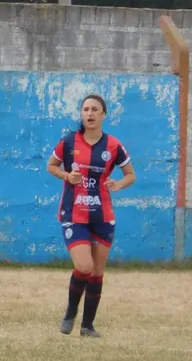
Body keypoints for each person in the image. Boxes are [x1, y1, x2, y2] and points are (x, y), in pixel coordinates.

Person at [46, 94, 136, 338]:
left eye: (95, 109)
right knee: (84, 267)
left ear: (103, 115)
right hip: (74, 213)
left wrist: (119, 184)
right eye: (85, 109)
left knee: (96, 272)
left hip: (102, 215)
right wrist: (67, 176)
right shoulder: (68, 142)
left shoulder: (113, 145)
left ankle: (87, 326)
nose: (89, 114)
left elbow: (130, 174)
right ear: (81, 114)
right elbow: (51, 166)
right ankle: (70, 313)